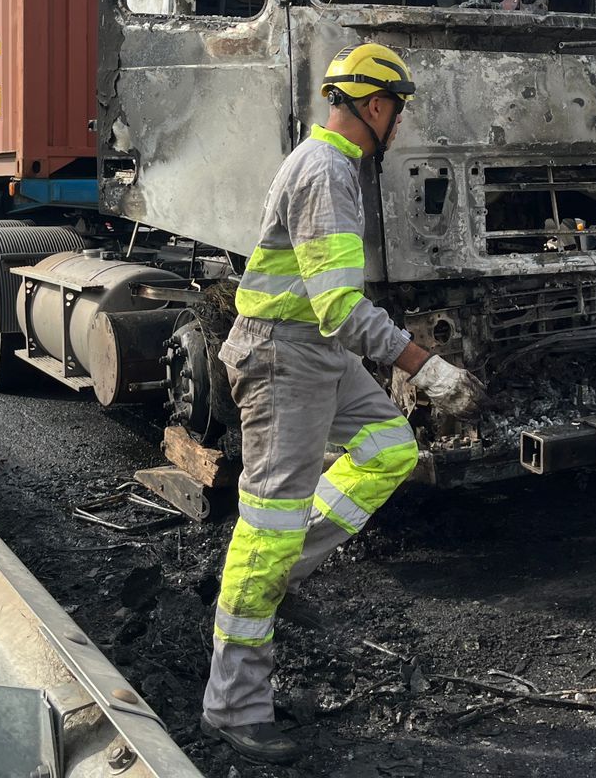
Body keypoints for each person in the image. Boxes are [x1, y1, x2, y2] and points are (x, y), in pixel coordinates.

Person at [200, 43, 486, 765]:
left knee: (387, 447)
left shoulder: (330, 165)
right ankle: (233, 704)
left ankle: (278, 574)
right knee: (268, 525)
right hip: (282, 359)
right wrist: (427, 368)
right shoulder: (327, 171)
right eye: (400, 113)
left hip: (312, 355)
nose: (400, 129)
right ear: (378, 107)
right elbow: (338, 309)